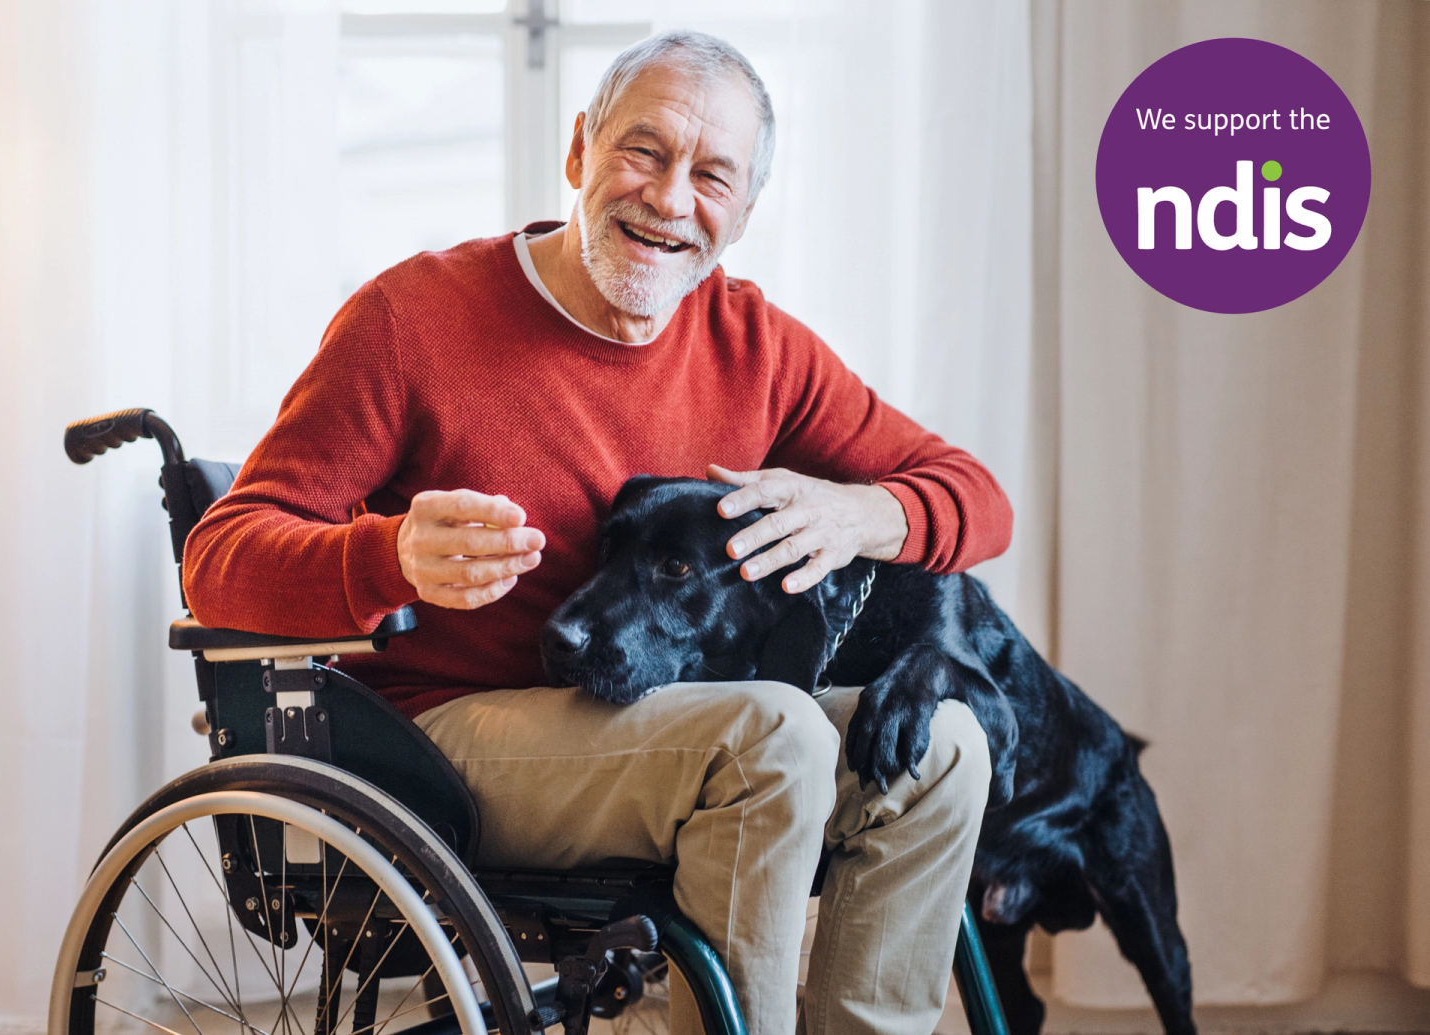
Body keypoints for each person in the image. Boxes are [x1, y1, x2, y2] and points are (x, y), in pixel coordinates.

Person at [185, 29, 1011, 1035]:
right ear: (579, 151)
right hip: (448, 740)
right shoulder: (412, 318)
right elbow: (219, 560)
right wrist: (387, 553)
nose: (669, 199)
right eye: (643, 150)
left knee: (948, 745)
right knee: (777, 730)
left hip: (668, 730)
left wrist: (859, 510)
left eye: (712, 175)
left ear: (744, 212)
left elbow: (977, 500)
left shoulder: (757, 345)